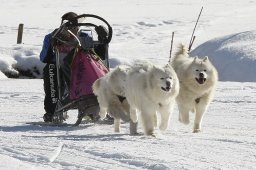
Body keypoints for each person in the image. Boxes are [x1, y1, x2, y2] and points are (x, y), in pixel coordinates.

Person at [39, 12, 79, 122]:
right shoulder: (52, 36)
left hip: (78, 67)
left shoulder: (83, 37)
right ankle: (52, 111)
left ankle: (92, 108)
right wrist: (52, 44)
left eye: (74, 24)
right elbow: (43, 58)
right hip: (57, 67)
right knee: (51, 68)